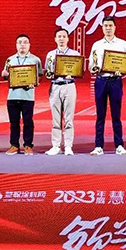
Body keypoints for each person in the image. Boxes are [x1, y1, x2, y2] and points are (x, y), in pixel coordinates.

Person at [88, 16, 126, 156]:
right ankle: (98, 146)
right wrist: (94, 68)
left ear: (115, 27)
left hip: (115, 81)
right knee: (100, 115)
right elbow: (91, 65)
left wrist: (121, 71)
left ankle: (119, 145)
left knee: (116, 115)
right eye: (105, 26)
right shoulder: (97, 45)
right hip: (101, 80)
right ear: (102, 27)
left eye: (110, 25)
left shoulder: (122, 44)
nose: (108, 28)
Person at [1, 34, 43, 155]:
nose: (22, 45)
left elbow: (40, 75)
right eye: (20, 42)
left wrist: (35, 83)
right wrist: (4, 74)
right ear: (16, 45)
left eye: (25, 42)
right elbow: (6, 76)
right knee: (14, 122)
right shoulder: (10, 60)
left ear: (29, 45)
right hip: (12, 96)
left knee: (28, 122)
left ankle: (28, 145)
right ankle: (14, 145)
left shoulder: (35, 60)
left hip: (28, 96)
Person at [44, 28, 79, 156]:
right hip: (55, 86)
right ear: (55, 39)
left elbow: (79, 70)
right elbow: (47, 72)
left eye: (64, 36)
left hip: (69, 86)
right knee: (56, 118)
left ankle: (68, 146)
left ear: (68, 39)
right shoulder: (50, 55)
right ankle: (56, 146)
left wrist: (73, 74)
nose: (61, 39)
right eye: (59, 36)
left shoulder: (74, 54)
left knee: (69, 118)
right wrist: (50, 74)